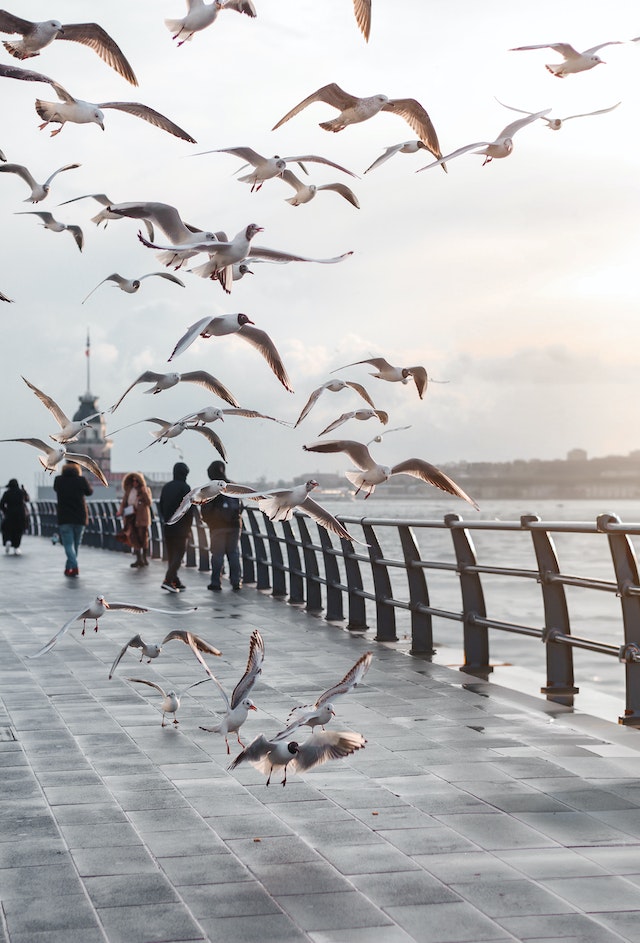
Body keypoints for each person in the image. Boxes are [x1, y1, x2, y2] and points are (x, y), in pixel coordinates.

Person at [201, 460, 243, 592]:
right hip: (234, 525)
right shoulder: (232, 485)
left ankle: (215, 582)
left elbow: (205, 507)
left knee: (217, 555)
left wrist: (209, 521)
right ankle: (236, 581)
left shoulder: (210, 487)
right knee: (234, 553)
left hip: (217, 526)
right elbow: (240, 506)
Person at [53, 461, 93, 577]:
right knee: (75, 545)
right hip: (80, 517)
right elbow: (89, 492)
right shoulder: (81, 480)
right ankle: (72, 567)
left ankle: (70, 567)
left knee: (68, 545)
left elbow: (56, 489)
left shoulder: (58, 480)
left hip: (64, 517)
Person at [158, 461, 192, 593]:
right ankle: (167, 580)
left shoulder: (166, 487)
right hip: (181, 527)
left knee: (172, 555)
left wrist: (164, 519)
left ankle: (175, 580)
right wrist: (189, 527)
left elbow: (160, 505)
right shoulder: (185, 487)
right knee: (179, 554)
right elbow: (188, 509)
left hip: (167, 526)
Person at [116, 471, 152, 568]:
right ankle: (138, 559)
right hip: (130, 517)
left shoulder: (145, 490)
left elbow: (149, 503)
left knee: (143, 537)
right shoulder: (129, 491)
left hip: (141, 517)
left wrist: (144, 492)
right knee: (133, 537)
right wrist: (120, 511)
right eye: (133, 481)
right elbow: (124, 503)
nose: (134, 482)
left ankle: (144, 558)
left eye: (136, 481)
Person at [1, 478, 30, 554]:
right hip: (20, 515)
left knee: (7, 530)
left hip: (9, 514)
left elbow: (1, 504)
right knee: (18, 531)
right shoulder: (21, 492)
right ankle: (16, 547)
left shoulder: (7, 493)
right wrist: (24, 490)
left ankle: (8, 541)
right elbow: (27, 500)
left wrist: (5, 511)